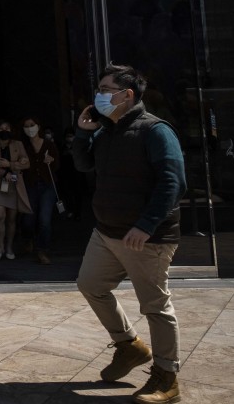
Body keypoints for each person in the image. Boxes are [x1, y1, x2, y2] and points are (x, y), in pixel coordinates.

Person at [74, 63, 186, 404]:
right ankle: (129, 346)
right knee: (91, 285)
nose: (100, 95)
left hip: (146, 237)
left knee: (155, 306)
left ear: (128, 95)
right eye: (99, 89)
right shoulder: (105, 131)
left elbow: (172, 182)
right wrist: (82, 132)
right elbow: (83, 165)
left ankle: (167, 378)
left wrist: (146, 224)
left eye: (107, 90)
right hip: (107, 232)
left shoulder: (155, 131)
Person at [20, 116, 60, 264]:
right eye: (26, 126)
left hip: (47, 185)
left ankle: (43, 250)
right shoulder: (23, 146)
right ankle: (27, 238)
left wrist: (51, 161)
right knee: (28, 218)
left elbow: (57, 165)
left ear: (38, 126)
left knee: (44, 218)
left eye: (32, 125)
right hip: (29, 185)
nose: (30, 128)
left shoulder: (49, 144)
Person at [0, 120, 31, 260]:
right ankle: (0, 246)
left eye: (7, 128)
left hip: (14, 185)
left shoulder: (17, 145)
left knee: (12, 218)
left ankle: (9, 246)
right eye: (1, 128)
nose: (4, 130)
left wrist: (11, 164)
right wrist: (3, 172)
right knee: (0, 215)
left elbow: (26, 163)